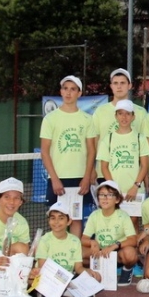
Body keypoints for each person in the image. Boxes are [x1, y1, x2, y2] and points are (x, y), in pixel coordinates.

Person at [40, 75, 95, 237]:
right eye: (65, 89)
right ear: (61, 92)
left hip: (79, 178)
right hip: (58, 178)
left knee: (76, 219)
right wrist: (54, 178)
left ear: (79, 93)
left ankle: (75, 258)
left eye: (73, 89)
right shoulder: (50, 119)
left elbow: (92, 150)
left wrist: (86, 177)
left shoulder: (87, 119)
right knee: (56, 218)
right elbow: (45, 151)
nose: (68, 92)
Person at [31, 203, 99, 297]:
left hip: (68, 277)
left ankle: (64, 291)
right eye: (53, 218)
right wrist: (63, 280)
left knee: (96, 278)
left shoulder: (75, 241)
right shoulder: (44, 240)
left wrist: (88, 272)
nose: (56, 222)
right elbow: (43, 268)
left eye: (61, 218)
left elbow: (78, 268)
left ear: (69, 221)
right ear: (49, 221)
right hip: (48, 277)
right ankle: (65, 291)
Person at [81, 180, 137, 284]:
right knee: (78, 252)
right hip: (100, 253)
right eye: (102, 195)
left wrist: (114, 246)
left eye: (110, 195)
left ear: (117, 199)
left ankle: (127, 269)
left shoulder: (123, 216)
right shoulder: (94, 215)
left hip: (117, 253)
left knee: (130, 254)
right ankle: (87, 271)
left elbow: (133, 240)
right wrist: (93, 243)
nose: (105, 198)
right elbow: (83, 239)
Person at [97, 99, 149, 206]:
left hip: (135, 190)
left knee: (133, 221)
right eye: (120, 113)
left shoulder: (140, 138)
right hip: (115, 191)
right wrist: (113, 188)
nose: (124, 117)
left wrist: (136, 186)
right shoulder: (108, 139)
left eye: (127, 114)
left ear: (133, 116)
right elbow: (104, 167)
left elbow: (144, 166)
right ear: (116, 116)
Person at [89, 67, 148, 148]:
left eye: (122, 83)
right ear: (111, 86)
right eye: (115, 83)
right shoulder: (100, 111)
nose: (119, 86)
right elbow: (94, 141)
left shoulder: (141, 112)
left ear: (130, 85)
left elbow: (145, 143)